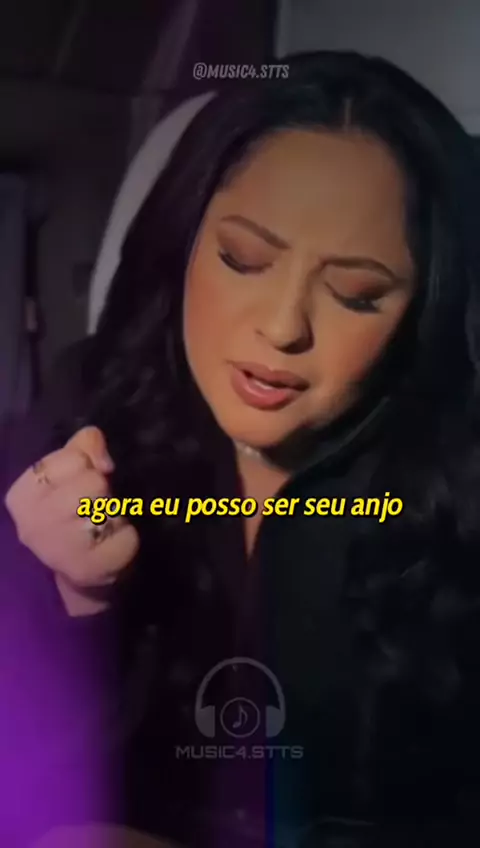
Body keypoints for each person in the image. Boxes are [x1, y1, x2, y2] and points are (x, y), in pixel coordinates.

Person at [2, 50, 480, 847]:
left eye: (356, 294)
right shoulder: (89, 409)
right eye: (243, 260)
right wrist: (76, 599)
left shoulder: (458, 495)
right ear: (184, 241)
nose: (284, 327)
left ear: (421, 310)